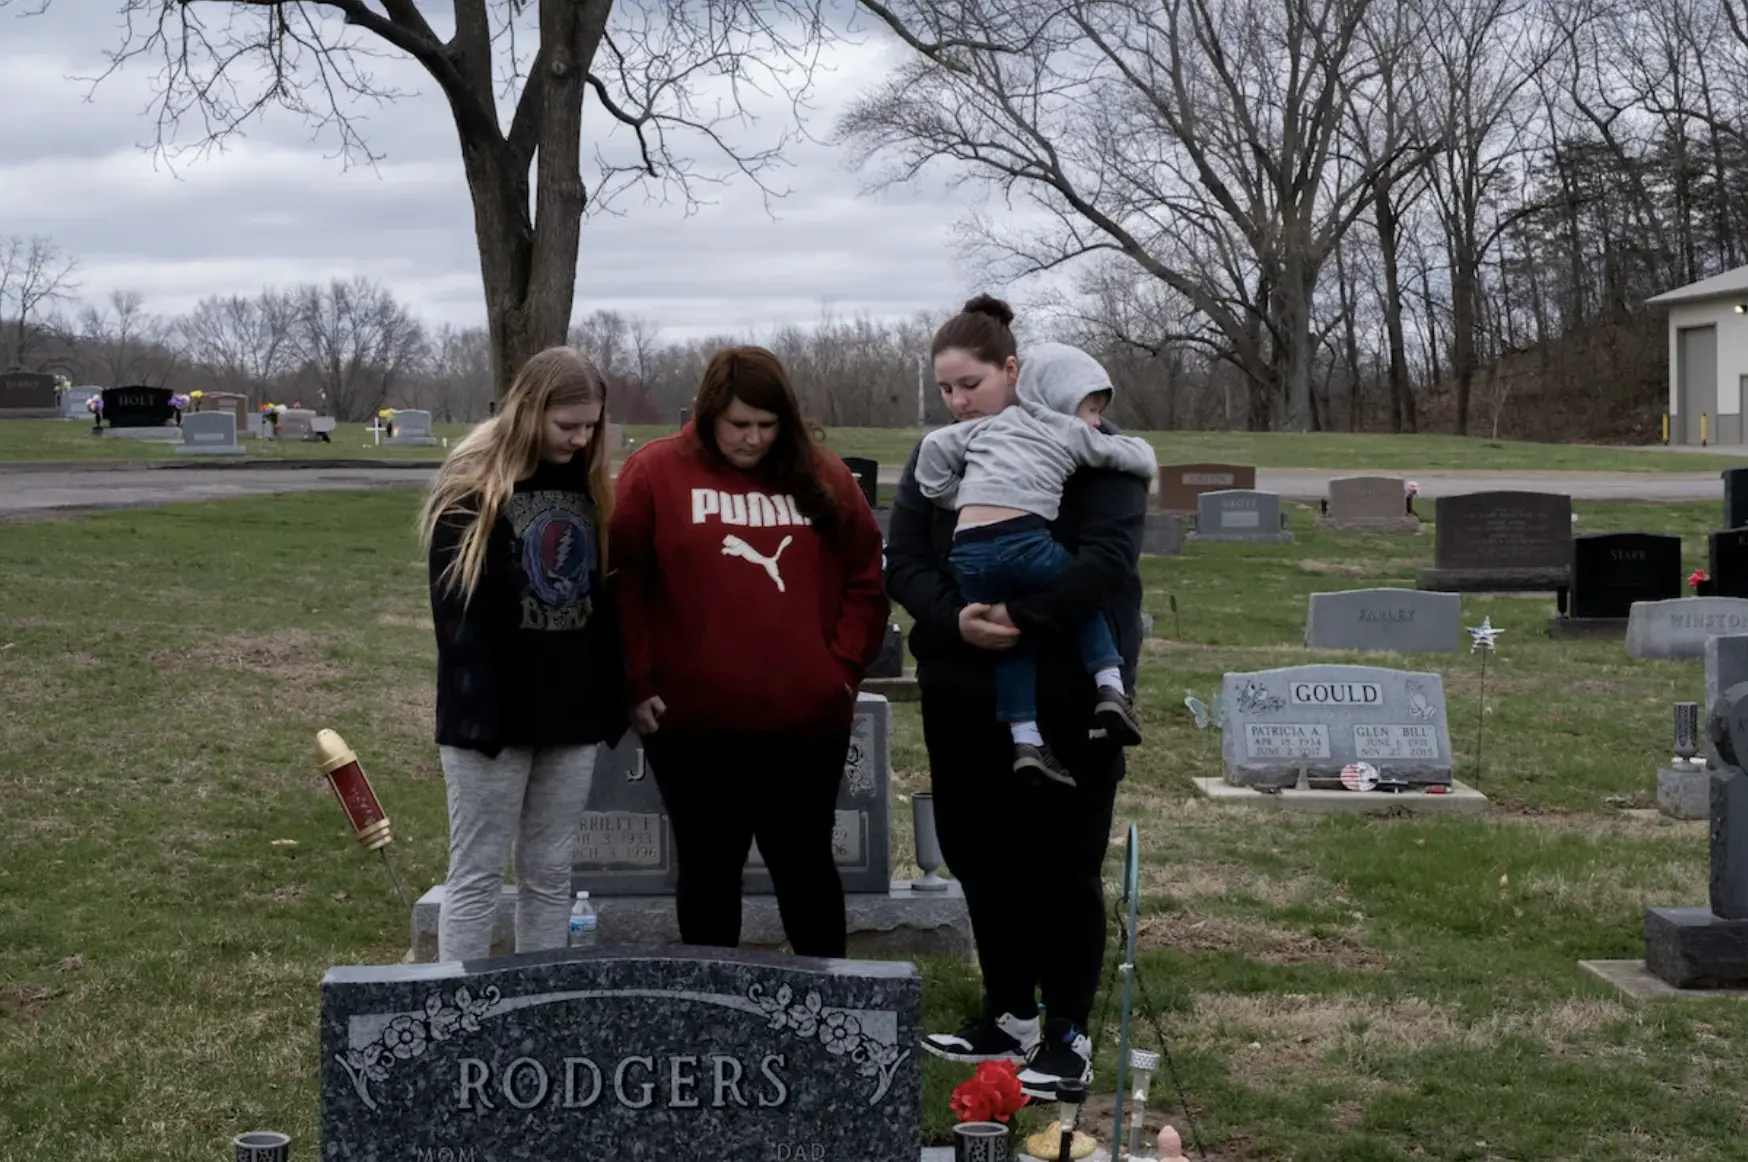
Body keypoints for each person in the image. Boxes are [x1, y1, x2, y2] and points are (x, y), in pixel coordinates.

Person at [886, 295, 1147, 1100]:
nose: (959, 402)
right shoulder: (939, 456)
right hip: (964, 688)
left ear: (1013, 371)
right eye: (947, 391)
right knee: (979, 855)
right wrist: (953, 618)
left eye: (972, 385)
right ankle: (1009, 1014)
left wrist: (1021, 616)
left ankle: (1066, 1032)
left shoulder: (1087, 451)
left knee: (1063, 863)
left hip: (1071, 692)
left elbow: (1105, 559)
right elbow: (905, 560)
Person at [608, 345, 889, 958]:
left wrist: (840, 671)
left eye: (768, 425)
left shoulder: (823, 476)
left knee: (807, 869)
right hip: (692, 723)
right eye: (739, 425)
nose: (754, 439)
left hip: (805, 719)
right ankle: (716, 1021)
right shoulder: (656, 472)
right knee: (708, 872)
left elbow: (867, 576)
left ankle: (827, 1011)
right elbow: (622, 582)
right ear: (709, 414)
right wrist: (636, 681)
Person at [418, 346, 629, 963]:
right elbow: (455, 613)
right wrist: (478, 710)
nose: (582, 438)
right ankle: (458, 1005)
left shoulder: (585, 483)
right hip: (492, 719)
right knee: (479, 874)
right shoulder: (473, 485)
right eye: (568, 426)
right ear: (529, 410)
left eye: (591, 425)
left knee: (550, 874)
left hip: (569, 715)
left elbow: (600, 600)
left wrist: (609, 694)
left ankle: (541, 1002)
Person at [913, 341, 1157, 784]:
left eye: (969, 385)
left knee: (1008, 640)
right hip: (1022, 542)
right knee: (1079, 601)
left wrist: (954, 495)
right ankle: (1110, 687)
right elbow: (1134, 458)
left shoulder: (981, 430)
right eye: (1090, 408)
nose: (1096, 420)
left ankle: (1026, 738)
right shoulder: (1070, 431)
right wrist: (1136, 450)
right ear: (1063, 400)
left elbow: (931, 448)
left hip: (968, 554)